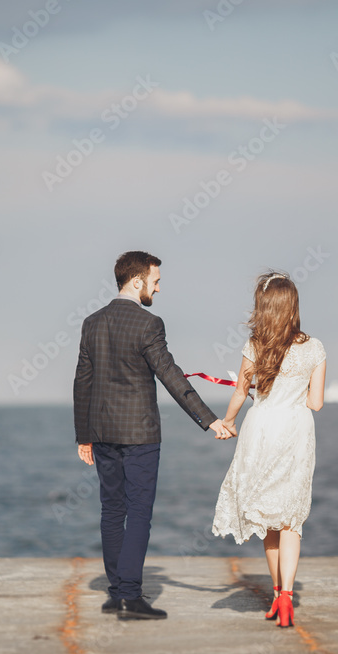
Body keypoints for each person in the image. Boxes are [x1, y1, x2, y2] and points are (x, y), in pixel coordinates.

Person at [73, 250, 236, 621]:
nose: (158, 289)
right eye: (156, 281)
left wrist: (84, 436)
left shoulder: (91, 322)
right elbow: (171, 375)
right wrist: (210, 420)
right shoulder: (149, 324)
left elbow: (82, 382)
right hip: (140, 436)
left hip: (101, 433)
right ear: (136, 281)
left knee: (112, 511)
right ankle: (131, 597)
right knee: (140, 514)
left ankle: (116, 594)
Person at [211, 271, 327, 627]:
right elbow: (316, 403)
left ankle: (277, 594)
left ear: (262, 308)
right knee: (291, 518)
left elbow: (240, 392)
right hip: (295, 430)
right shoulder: (315, 347)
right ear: (293, 306)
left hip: (261, 428)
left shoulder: (254, 345)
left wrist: (227, 422)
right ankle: (288, 598)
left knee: (269, 521)